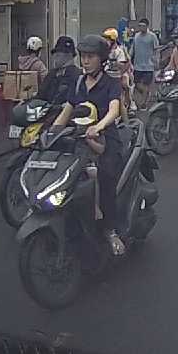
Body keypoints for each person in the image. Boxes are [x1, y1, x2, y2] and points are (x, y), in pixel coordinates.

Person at [53, 34, 126, 256]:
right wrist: (51, 133)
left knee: (105, 176)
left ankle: (110, 230)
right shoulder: (78, 83)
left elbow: (114, 110)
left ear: (101, 59)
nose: (85, 61)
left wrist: (99, 126)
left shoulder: (111, 83)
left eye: (90, 56)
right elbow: (67, 110)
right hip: (79, 137)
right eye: (83, 56)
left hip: (107, 139)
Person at [36, 36, 81, 105]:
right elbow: (40, 95)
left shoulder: (77, 75)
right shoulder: (52, 74)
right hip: (45, 109)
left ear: (69, 55)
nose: (55, 58)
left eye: (58, 55)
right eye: (55, 55)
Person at [129, 18, 159, 108]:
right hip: (137, 65)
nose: (141, 27)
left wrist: (156, 61)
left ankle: (143, 104)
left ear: (147, 26)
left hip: (148, 66)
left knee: (146, 85)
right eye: (140, 26)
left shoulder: (152, 36)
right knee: (136, 84)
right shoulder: (136, 36)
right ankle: (146, 94)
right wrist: (129, 59)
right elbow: (132, 49)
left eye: (143, 26)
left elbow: (156, 50)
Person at [102, 27, 131, 120]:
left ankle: (126, 122)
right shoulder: (104, 50)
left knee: (120, 100)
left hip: (116, 78)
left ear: (113, 40)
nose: (105, 41)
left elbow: (123, 65)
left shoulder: (119, 51)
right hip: (106, 77)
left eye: (107, 39)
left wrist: (115, 63)